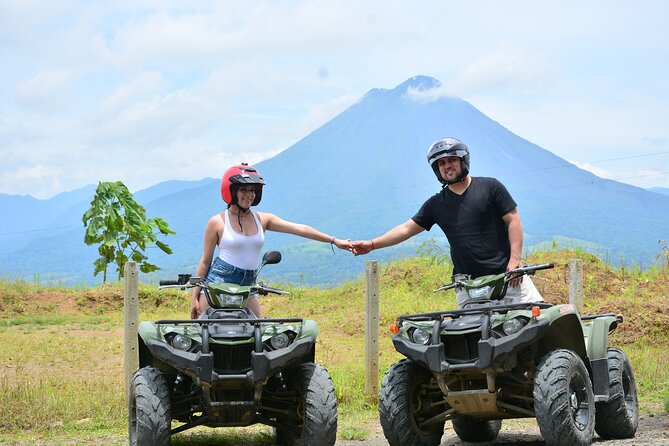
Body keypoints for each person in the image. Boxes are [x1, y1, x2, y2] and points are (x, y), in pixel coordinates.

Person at [352, 137, 542, 307]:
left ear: (463, 161)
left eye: (452, 159)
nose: (447, 165)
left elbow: (513, 220)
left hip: (508, 278)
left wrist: (515, 260)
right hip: (468, 285)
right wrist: (372, 244)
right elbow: (406, 229)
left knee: (537, 325)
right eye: (441, 163)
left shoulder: (490, 187)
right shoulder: (436, 204)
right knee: (473, 340)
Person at [191, 163, 353, 319]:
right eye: (243, 189)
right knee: (205, 333)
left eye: (252, 190)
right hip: (218, 283)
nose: (249, 194)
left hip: (248, 285)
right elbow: (205, 262)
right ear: (231, 191)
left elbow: (300, 229)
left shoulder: (263, 219)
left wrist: (334, 240)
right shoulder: (217, 222)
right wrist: (194, 298)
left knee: (257, 333)